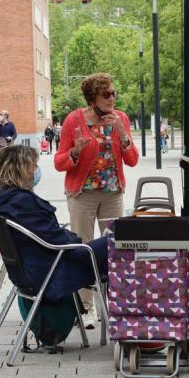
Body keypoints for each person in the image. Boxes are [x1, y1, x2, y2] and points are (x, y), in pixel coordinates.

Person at [54, 73, 138, 328]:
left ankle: (118, 305)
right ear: (93, 99)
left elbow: (132, 159)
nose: (112, 98)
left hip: (113, 193)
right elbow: (59, 162)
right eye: (107, 94)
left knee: (118, 249)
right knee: (83, 249)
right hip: (83, 195)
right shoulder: (74, 121)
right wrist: (75, 152)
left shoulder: (121, 118)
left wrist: (122, 132)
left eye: (114, 93)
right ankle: (86, 308)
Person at [0, 145, 108, 302]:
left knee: (115, 245)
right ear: (20, 168)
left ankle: (122, 312)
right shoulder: (21, 202)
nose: (36, 169)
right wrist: (75, 239)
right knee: (119, 241)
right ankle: (126, 312)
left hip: (34, 268)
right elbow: (55, 239)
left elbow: (45, 233)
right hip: (53, 270)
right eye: (33, 165)